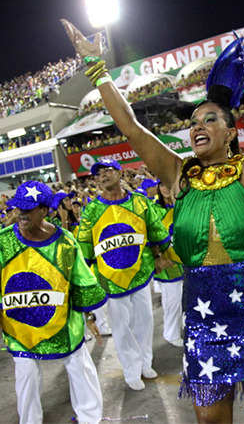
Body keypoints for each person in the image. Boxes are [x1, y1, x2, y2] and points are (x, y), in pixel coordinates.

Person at [62, 0, 244, 423]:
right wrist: (97, 70)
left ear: (231, 134)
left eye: (210, 120)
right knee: (209, 418)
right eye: (192, 123)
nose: (197, 127)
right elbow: (131, 128)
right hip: (203, 311)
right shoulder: (177, 175)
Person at [0, 181, 107, 424]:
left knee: (79, 366)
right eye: (18, 207)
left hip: (63, 324)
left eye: (28, 208)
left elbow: (81, 280)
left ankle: (89, 418)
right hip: (21, 328)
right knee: (27, 376)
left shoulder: (64, 241)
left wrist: (90, 316)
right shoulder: (4, 241)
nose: (21, 213)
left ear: (44, 210)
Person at [76, 159, 172, 391]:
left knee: (145, 322)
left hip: (140, 273)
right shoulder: (91, 211)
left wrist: (159, 255)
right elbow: (85, 249)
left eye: (106, 171)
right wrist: (87, 281)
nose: (102, 176)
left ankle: (145, 363)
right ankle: (131, 369)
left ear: (119, 173)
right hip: (110, 279)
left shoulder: (139, 202)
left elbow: (155, 231)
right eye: (97, 174)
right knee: (121, 328)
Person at [153, 181, 185, 347]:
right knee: (172, 298)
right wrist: (157, 256)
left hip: (186, 258)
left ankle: (182, 327)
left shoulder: (183, 205)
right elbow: (152, 235)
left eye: (168, 183)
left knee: (184, 297)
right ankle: (171, 333)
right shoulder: (154, 209)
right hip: (168, 260)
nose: (165, 188)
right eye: (162, 185)